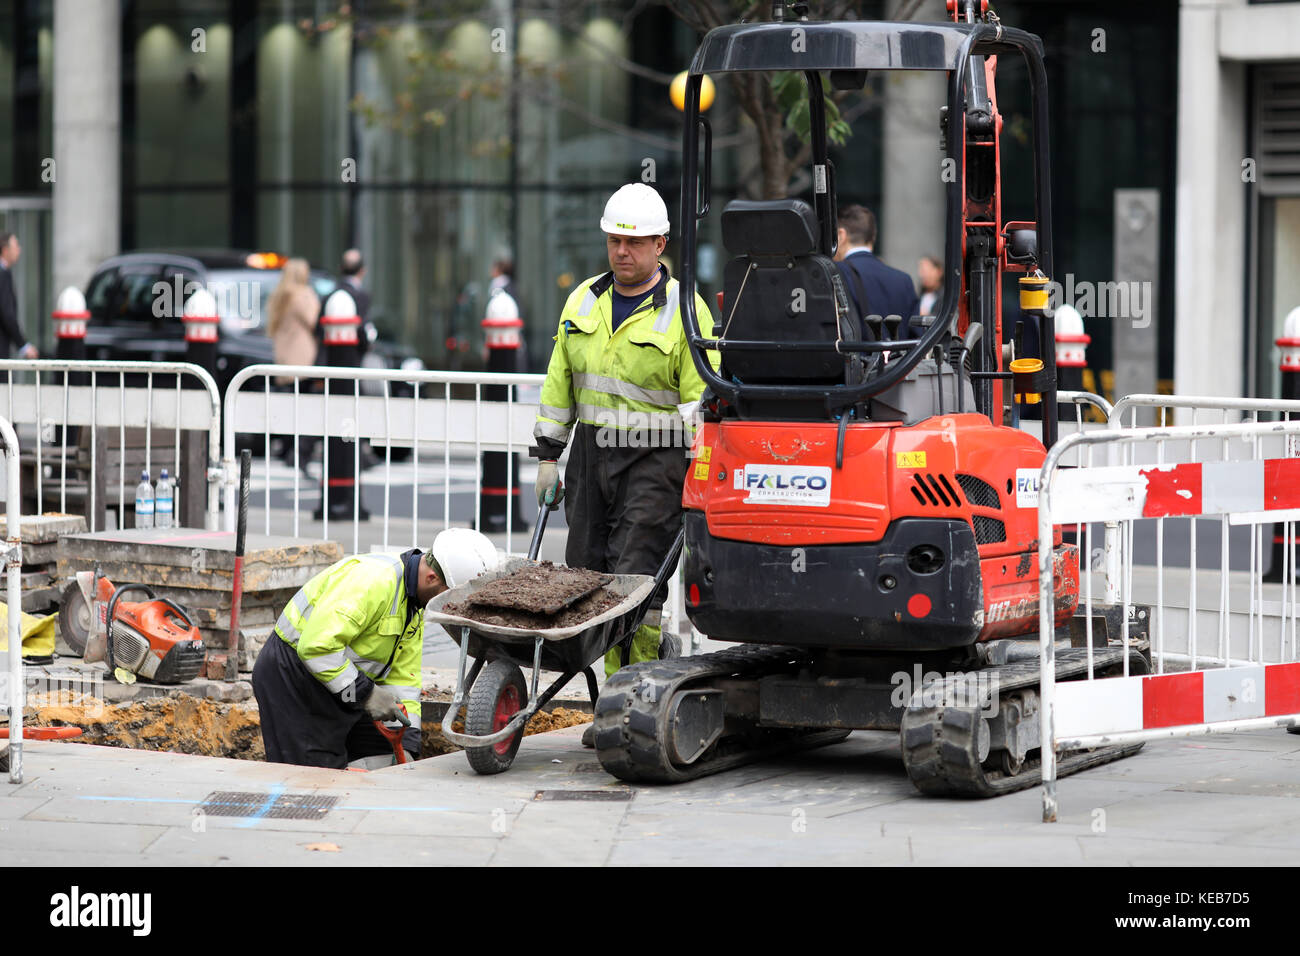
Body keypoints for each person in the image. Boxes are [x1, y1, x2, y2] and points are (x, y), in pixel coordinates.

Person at [532, 183, 717, 746]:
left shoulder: (687, 311)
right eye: (614, 240)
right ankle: (609, 693)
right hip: (591, 456)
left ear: (660, 244)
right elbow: (559, 381)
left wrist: (700, 474)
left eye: (634, 242)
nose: (622, 252)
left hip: (655, 461)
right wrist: (548, 456)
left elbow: (701, 406)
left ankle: (627, 702)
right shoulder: (582, 301)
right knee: (586, 573)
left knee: (634, 578)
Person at [253, 528, 498, 768]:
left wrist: (408, 737)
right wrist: (367, 694)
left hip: (341, 681)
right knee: (315, 774)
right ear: (431, 578)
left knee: (379, 750)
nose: (450, 606)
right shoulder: (373, 582)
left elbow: (403, 678)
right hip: (293, 679)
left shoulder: (413, 605)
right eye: (449, 596)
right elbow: (317, 648)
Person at [833, 205, 920, 340]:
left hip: (854, 360)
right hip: (899, 361)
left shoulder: (836, 274)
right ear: (872, 237)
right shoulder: (904, 280)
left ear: (841, 235)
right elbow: (916, 336)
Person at [0, 233, 37, 359]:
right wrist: (23, 345)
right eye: (15, 246)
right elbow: (7, 313)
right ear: (5, 250)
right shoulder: (3, 274)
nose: (19, 250)